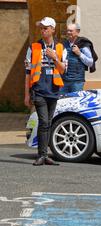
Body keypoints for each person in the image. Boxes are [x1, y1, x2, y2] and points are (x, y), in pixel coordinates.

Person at [24, 17, 68, 166]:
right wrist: (26, 94)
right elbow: (28, 73)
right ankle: (41, 155)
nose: (43, 30)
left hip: (53, 91)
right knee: (43, 122)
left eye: (46, 28)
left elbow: (63, 70)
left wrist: (54, 57)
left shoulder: (61, 48)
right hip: (39, 91)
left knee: (48, 123)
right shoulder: (34, 47)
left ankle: (45, 155)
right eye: (41, 28)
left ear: (53, 30)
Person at [60, 23, 95, 94]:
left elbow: (90, 62)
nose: (68, 32)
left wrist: (79, 53)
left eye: (71, 31)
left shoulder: (83, 44)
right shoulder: (64, 44)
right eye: (67, 31)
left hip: (77, 82)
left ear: (77, 32)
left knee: (75, 102)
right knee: (62, 102)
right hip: (64, 80)